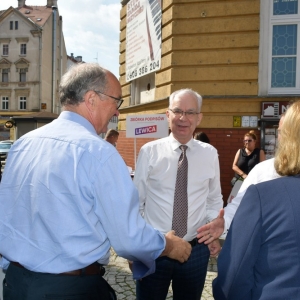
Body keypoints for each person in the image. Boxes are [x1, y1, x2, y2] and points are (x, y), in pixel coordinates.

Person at [0, 63, 192, 300]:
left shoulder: (22, 144)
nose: (117, 112)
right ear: (91, 99)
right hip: (69, 289)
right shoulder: (98, 153)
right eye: (116, 101)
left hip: (15, 285)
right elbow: (128, 238)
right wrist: (169, 246)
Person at [133, 88, 223, 300]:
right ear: (168, 115)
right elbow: (136, 202)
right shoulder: (149, 151)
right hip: (156, 249)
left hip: (196, 250)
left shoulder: (209, 154)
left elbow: (213, 199)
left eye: (190, 112)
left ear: (199, 118)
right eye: (178, 111)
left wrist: (211, 231)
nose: (183, 118)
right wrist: (136, 247)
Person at [213, 101, 300, 299]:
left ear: (290, 138)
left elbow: (233, 276)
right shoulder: (261, 172)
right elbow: (238, 202)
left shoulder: (262, 195)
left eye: (281, 131)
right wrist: (224, 221)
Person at [197, 113, 285, 243]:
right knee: (233, 201)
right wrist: (244, 175)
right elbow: (233, 166)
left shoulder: (259, 154)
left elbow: (262, 168)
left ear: (255, 141)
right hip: (240, 182)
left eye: (249, 140)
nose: (246, 143)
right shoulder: (241, 152)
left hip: (254, 185)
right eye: (245, 140)